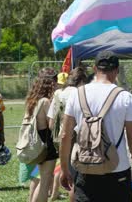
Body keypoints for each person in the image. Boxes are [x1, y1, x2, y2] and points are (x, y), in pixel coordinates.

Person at [59, 50, 132, 201]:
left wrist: (64, 169)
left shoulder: (76, 94)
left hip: (85, 168)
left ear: (95, 69)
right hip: (118, 170)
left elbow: (65, 135)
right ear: (116, 70)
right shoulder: (124, 97)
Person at [48, 67, 87, 202]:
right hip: (75, 137)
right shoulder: (78, 92)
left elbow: (51, 119)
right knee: (75, 179)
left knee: (64, 169)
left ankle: (54, 193)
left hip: (59, 137)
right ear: (81, 80)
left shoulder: (58, 92)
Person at [24, 67, 59, 202]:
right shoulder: (45, 101)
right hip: (46, 143)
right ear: (51, 83)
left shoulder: (32, 100)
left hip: (35, 142)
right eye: (55, 81)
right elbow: (51, 125)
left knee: (41, 179)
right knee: (44, 182)